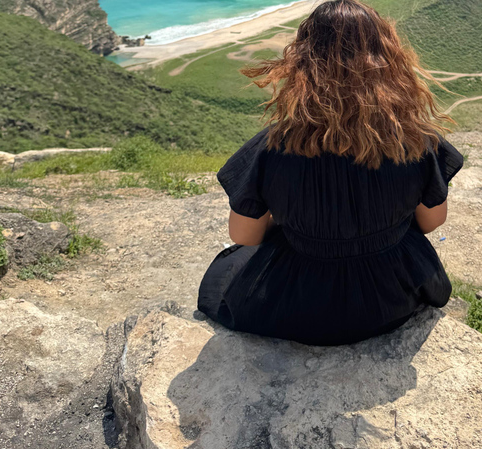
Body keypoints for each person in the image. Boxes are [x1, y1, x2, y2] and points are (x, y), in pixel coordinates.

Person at [198, 0, 463, 345]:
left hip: (298, 304)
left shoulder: (272, 146)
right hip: (392, 297)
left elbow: (245, 235)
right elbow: (431, 222)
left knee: (228, 270)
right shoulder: (416, 140)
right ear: (388, 60)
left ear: (302, 63)